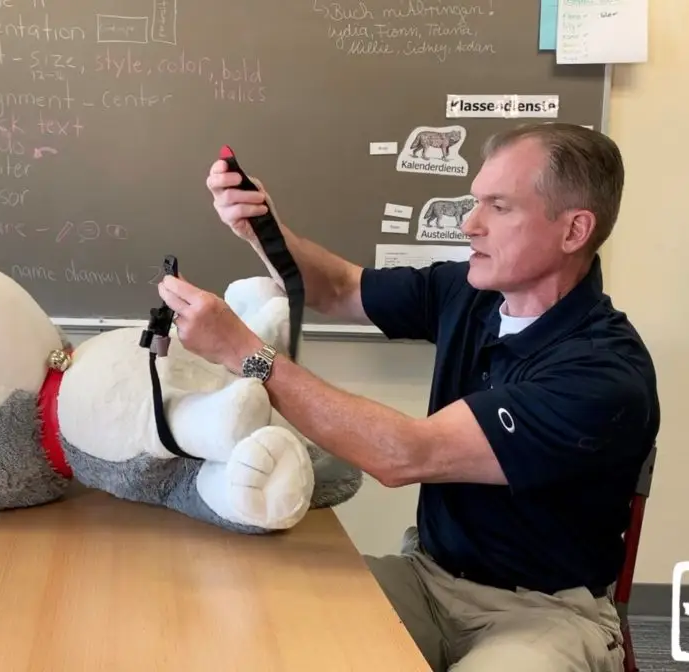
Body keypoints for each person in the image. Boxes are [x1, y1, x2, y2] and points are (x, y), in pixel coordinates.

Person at [156, 122, 659, 672]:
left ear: (574, 230)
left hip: (546, 615)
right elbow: (340, 287)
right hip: (428, 578)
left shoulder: (604, 373)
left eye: (499, 206)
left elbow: (406, 455)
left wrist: (245, 354)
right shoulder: (469, 291)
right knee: (267, 629)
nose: (470, 225)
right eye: (474, 203)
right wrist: (264, 232)